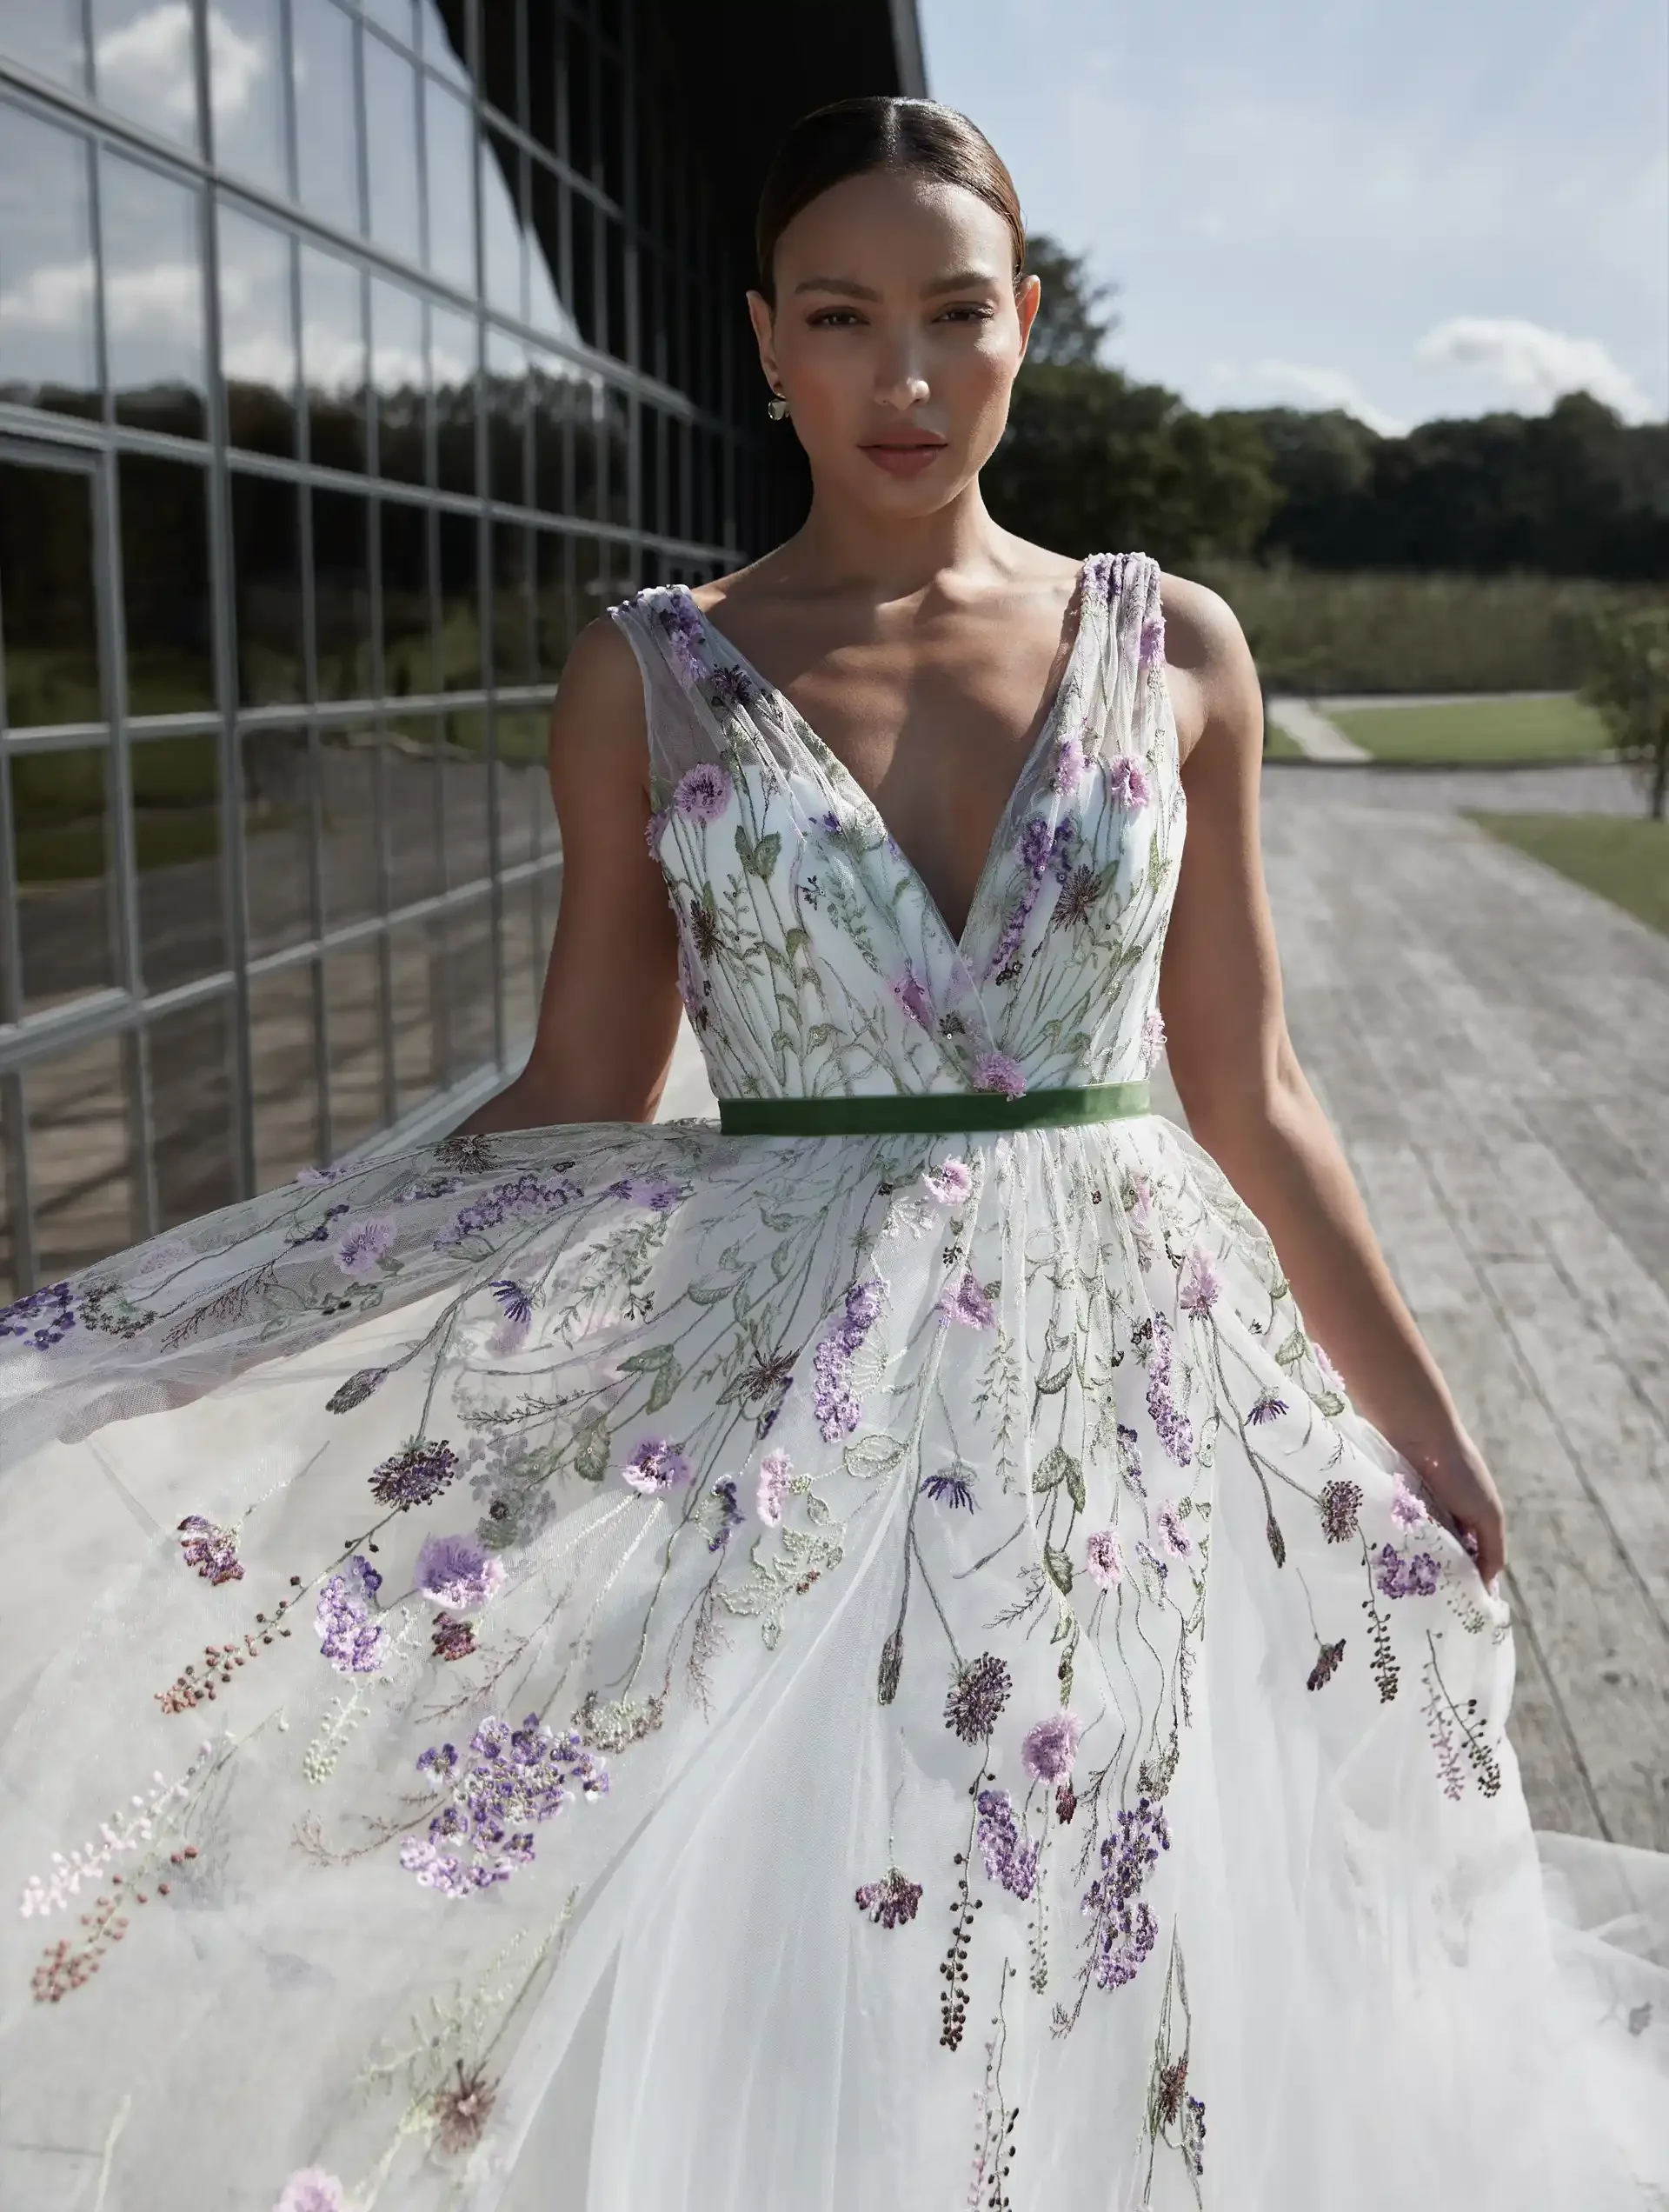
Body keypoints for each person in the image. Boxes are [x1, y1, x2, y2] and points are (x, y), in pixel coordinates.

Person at [0, 96, 1663, 2212]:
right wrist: (228, 1311)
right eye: (845, 317)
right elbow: (580, 1094)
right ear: (763, 341)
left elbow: (1253, 1088)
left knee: (1125, 1913)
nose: (906, 377)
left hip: (1126, 1394)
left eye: (956, 315)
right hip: (777, 1401)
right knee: (809, 1912)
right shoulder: (650, 674)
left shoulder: (1183, 650)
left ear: (1025, 327)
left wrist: (1422, 1418)